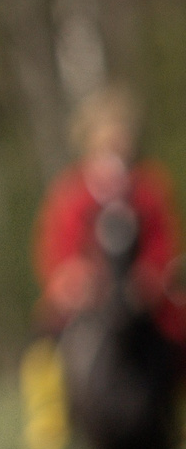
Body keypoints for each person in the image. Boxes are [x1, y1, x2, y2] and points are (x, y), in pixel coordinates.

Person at [33, 87, 186, 345]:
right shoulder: (71, 192)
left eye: (121, 134)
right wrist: (76, 282)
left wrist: (147, 281)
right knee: (44, 354)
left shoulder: (150, 188)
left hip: (147, 306)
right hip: (85, 306)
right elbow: (56, 253)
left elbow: (165, 247)